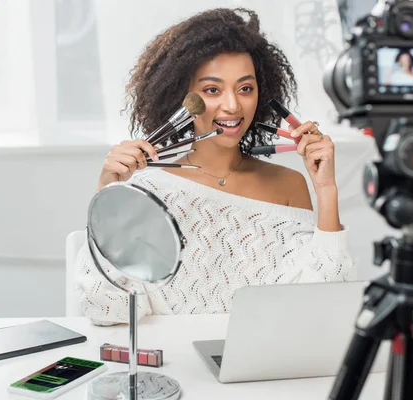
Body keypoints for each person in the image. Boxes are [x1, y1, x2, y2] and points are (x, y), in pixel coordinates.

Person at [75, 8, 356, 326]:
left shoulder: (289, 185)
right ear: (180, 96)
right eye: (212, 90)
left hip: (260, 366)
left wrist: (326, 190)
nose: (233, 105)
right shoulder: (144, 189)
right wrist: (106, 193)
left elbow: (318, 307)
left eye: (245, 88)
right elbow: (107, 308)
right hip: (170, 367)